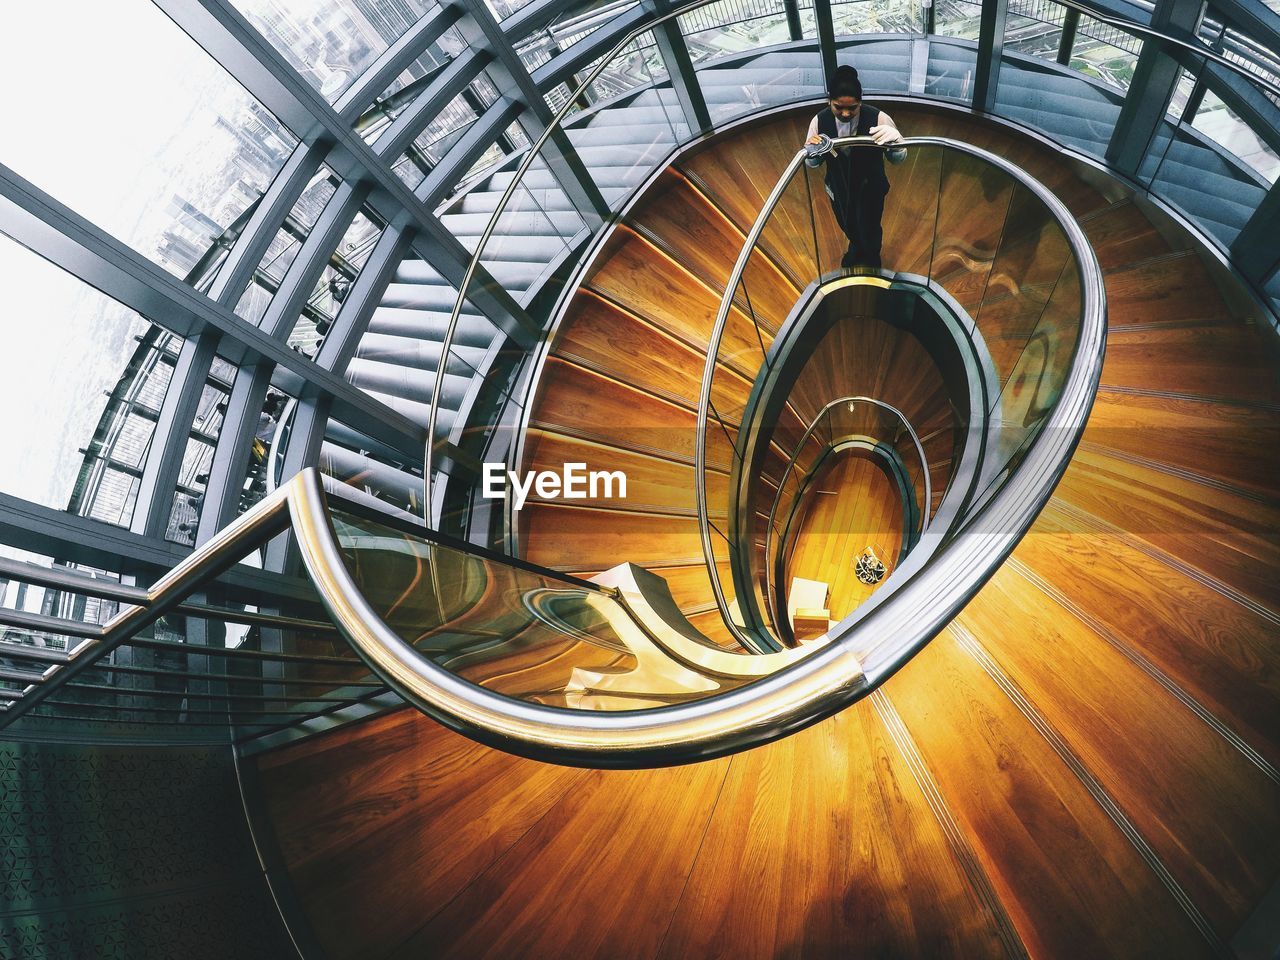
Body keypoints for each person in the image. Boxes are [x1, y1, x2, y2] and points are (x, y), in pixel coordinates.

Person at [804, 65, 907, 269]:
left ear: (861, 102)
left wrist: (897, 143)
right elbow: (811, 163)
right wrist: (813, 152)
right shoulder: (819, 121)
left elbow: (898, 159)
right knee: (846, 221)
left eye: (853, 108)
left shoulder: (880, 118)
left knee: (870, 225)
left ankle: (871, 255)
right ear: (829, 101)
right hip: (838, 187)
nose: (845, 113)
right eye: (837, 107)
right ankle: (857, 247)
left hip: (870, 187)